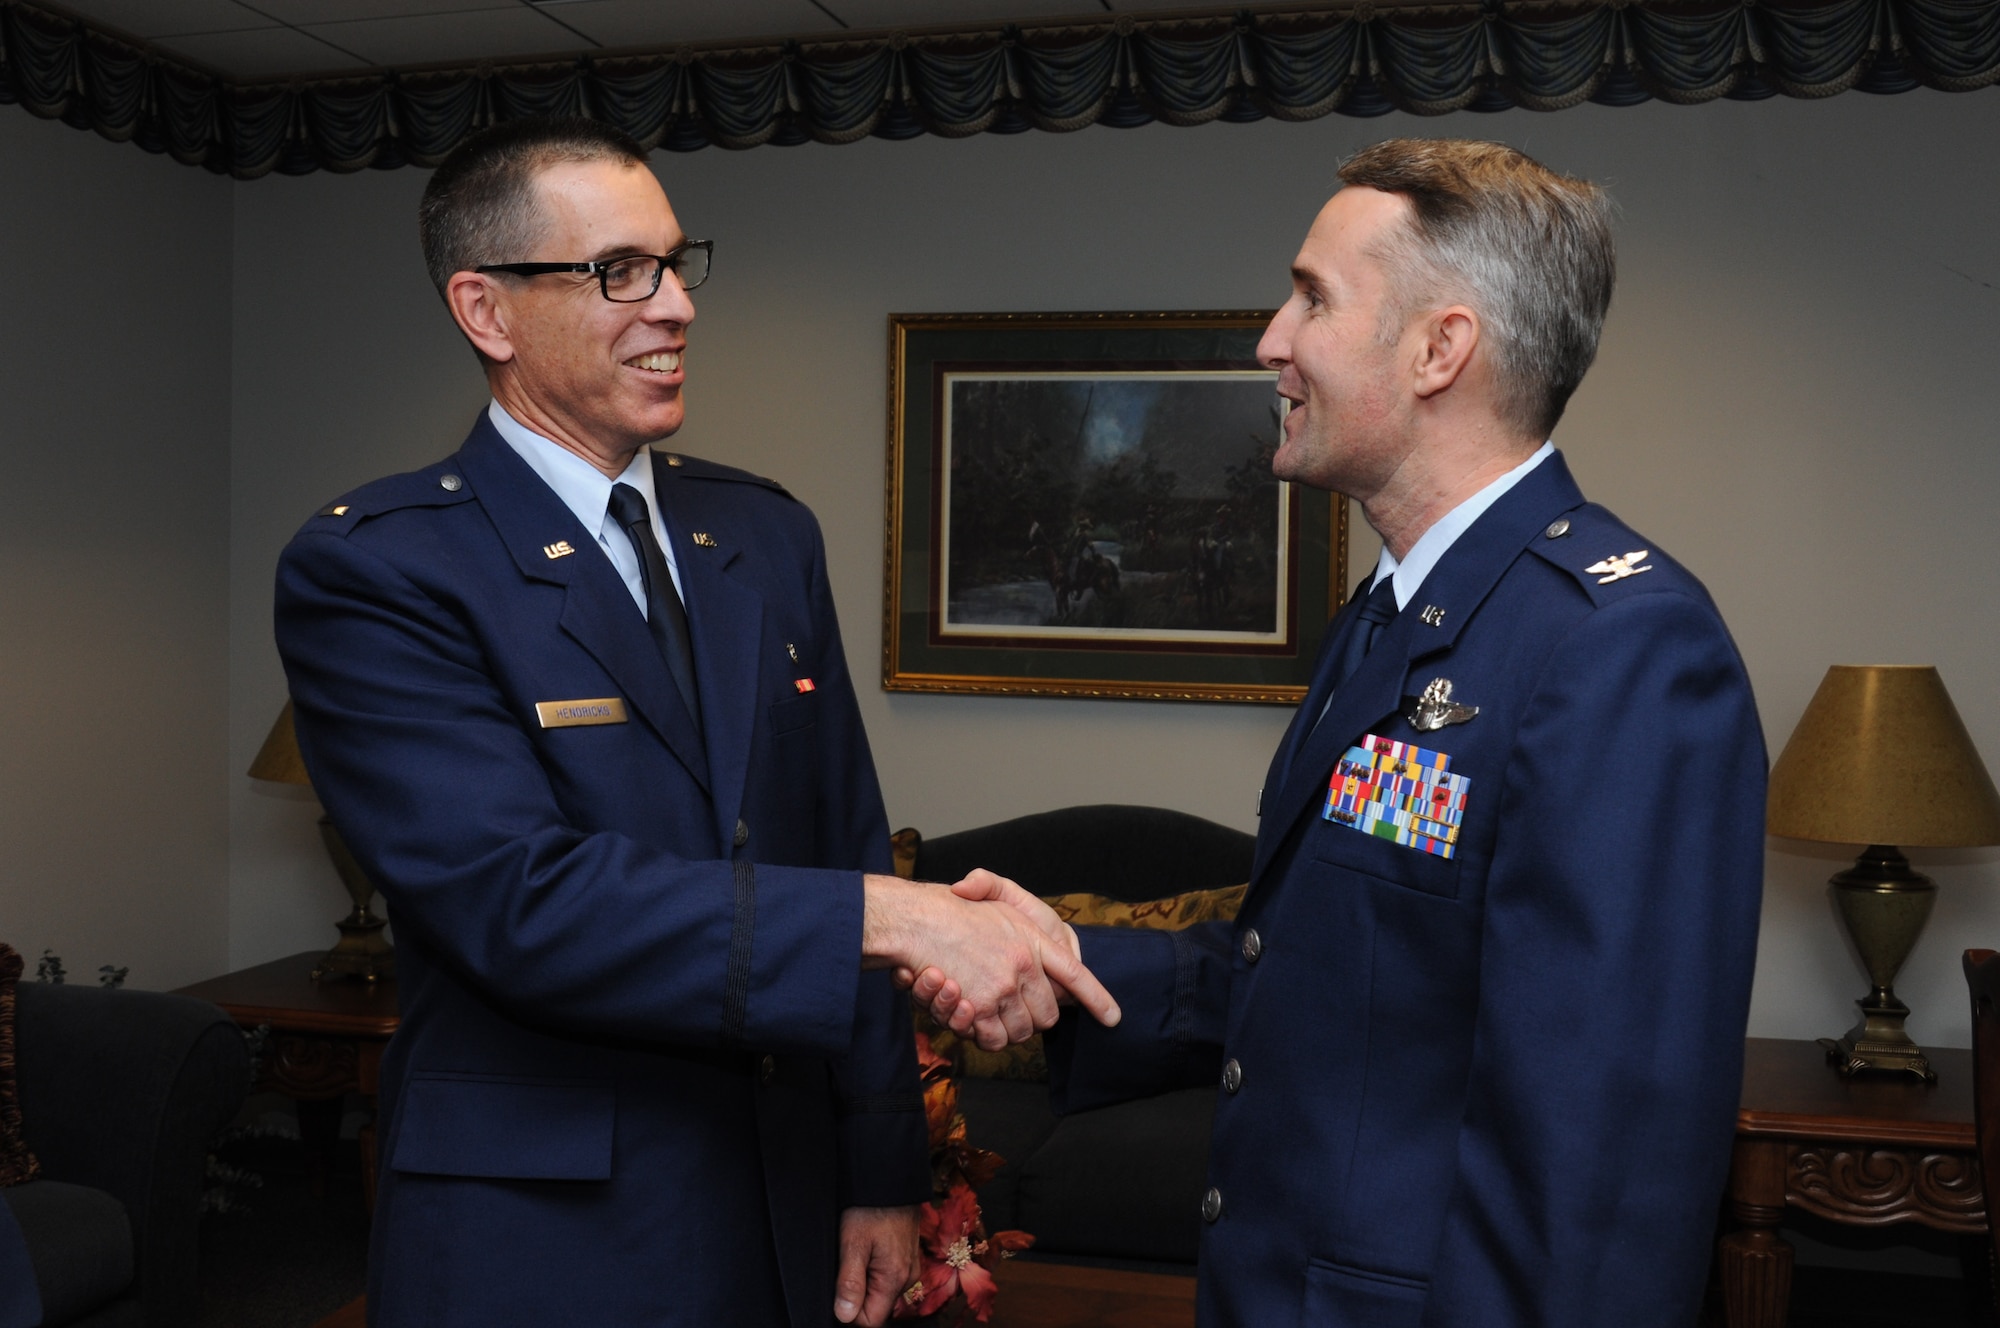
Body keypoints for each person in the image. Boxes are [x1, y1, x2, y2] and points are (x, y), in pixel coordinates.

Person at [272, 117, 1115, 1328]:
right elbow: (523, 900)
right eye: (620, 271)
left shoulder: (764, 535)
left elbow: (842, 840)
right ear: (487, 310)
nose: (675, 306)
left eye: (676, 263)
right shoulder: (383, 568)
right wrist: (898, 917)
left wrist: (880, 1166)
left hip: (778, 1198)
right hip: (542, 1221)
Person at [915, 139, 1765, 1326]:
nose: (1270, 338)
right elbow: (1316, 964)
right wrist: (1057, 954)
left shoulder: (1617, 646)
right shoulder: (1381, 622)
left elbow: (1601, 1160)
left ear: (1438, 349)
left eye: (1312, 296)